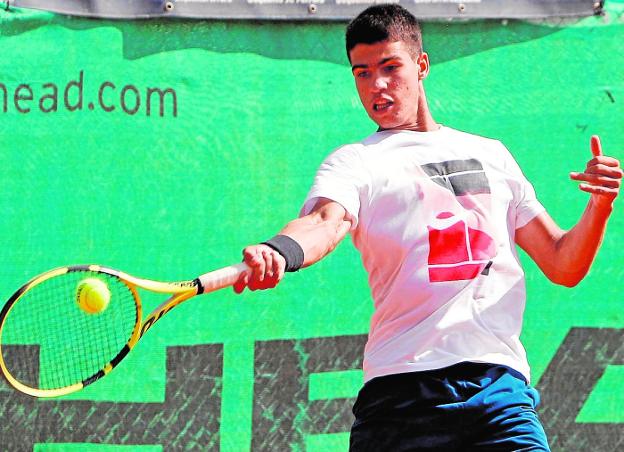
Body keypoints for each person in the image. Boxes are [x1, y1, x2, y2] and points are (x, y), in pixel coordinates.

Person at [233, 4, 622, 450]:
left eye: (389, 67)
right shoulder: (356, 162)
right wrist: (281, 250)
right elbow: (325, 221)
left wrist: (599, 205)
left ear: (421, 65)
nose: (376, 85)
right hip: (401, 397)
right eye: (361, 72)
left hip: (499, 393)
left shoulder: (492, 154)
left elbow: (562, 263)